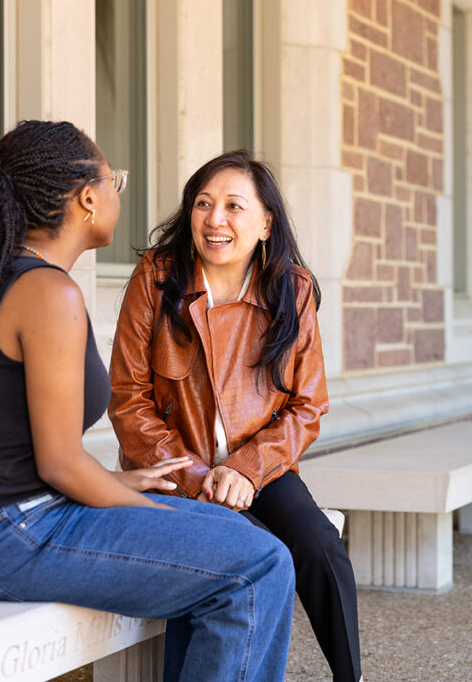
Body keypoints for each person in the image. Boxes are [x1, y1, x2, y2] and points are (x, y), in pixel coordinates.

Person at [0, 121, 295, 682]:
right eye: (113, 180)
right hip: (7, 536)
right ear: (88, 199)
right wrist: (162, 516)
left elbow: (24, 454)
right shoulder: (49, 293)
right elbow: (59, 464)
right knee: (258, 563)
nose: (119, 191)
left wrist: (123, 486)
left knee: (230, 544)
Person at [109, 150, 362, 681]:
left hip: (260, 467)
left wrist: (247, 468)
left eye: (232, 206)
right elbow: (129, 399)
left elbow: (307, 405)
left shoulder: (291, 288)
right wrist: (197, 474)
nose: (214, 220)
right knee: (239, 556)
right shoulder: (157, 277)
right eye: (203, 204)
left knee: (319, 546)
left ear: (265, 222)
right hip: (175, 471)